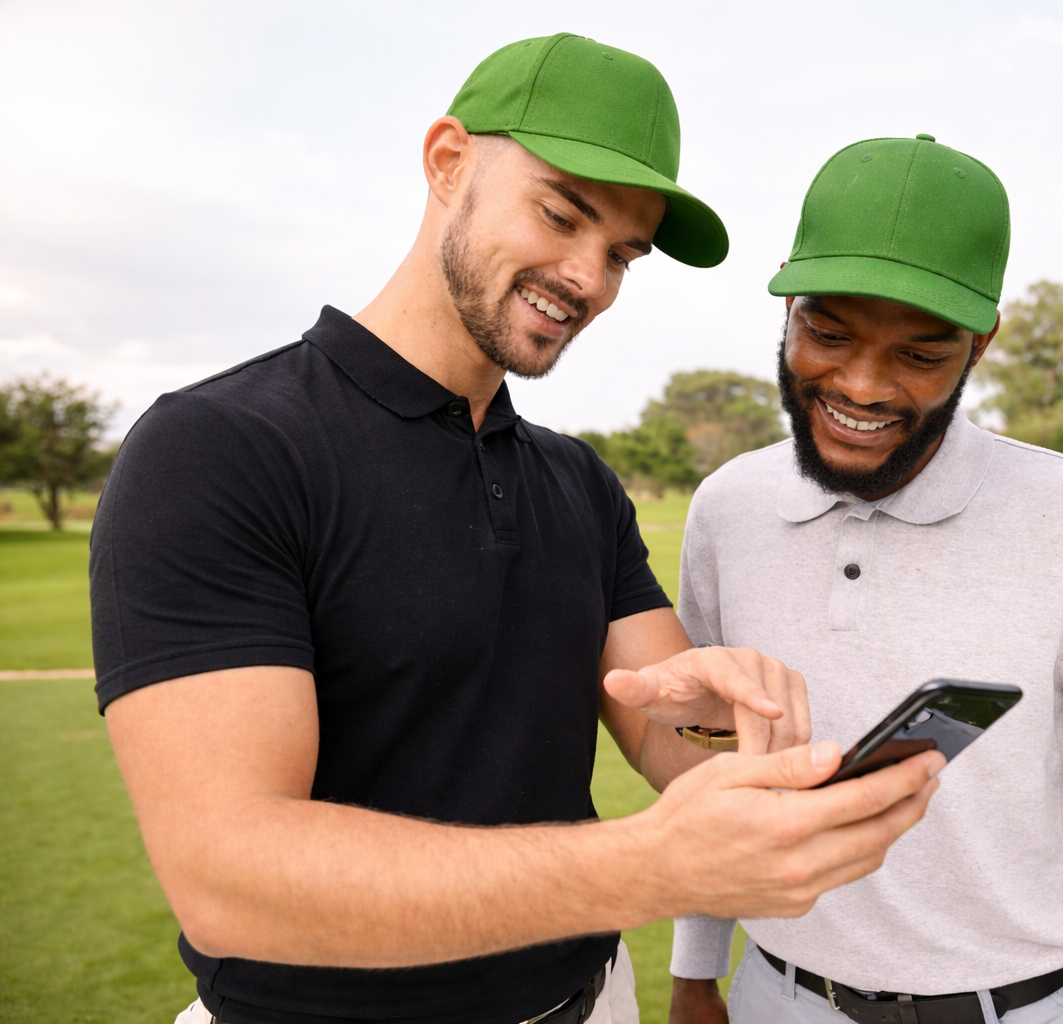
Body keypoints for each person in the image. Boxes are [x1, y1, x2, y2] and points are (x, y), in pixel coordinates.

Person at [91, 38, 943, 1024]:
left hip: (595, 1000)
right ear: (449, 161)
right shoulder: (219, 448)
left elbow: (666, 728)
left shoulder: (575, 481)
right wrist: (649, 864)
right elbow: (227, 879)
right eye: (561, 213)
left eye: (623, 253)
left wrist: (748, 742)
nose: (588, 278)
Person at [667, 135, 1063, 1023]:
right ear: (787, 300)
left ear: (981, 343)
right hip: (774, 995)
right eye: (827, 331)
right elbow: (715, 759)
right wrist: (698, 970)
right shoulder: (727, 508)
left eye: (920, 355)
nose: (860, 384)